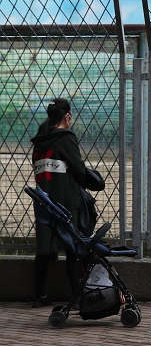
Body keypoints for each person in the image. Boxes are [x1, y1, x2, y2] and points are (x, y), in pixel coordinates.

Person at [30, 98, 102, 308]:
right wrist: (93, 179)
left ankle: (39, 295)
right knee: (74, 248)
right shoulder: (65, 138)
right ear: (66, 116)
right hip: (66, 200)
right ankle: (78, 297)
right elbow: (78, 170)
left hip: (44, 198)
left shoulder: (40, 140)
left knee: (44, 249)